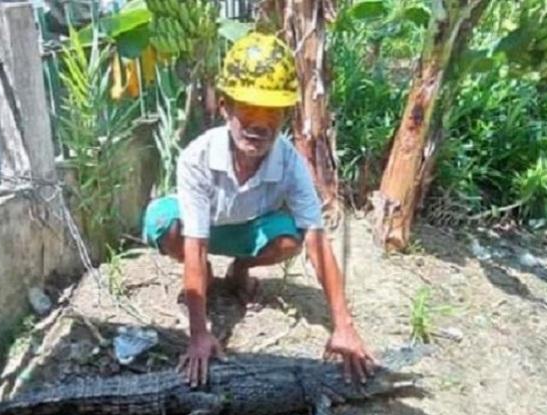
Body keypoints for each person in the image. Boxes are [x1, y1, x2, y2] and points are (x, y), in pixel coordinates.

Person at [142, 33, 375, 388]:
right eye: (249, 108)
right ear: (225, 107)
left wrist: (343, 326)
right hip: (201, 229)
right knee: (162, 222)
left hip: (248, 231)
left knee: (293, 236)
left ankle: (240, 269)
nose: (259, 123)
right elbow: (196, 241)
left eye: (272, 112)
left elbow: (317, 242)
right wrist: (199, 334)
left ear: (285, 114)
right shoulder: (197, 157)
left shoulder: (291, 163)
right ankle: (204, 275)